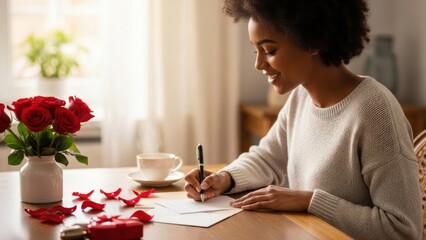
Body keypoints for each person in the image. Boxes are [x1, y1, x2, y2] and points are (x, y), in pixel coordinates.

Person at [184, 0, 423, 239]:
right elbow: (267, 158)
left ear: (313, 41)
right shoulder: (301, 98)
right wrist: (225, 178)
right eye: (255, 50)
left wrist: (310, 201)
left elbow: (402, 229)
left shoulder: (375, 111)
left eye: (269, 51)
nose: (258, 64)